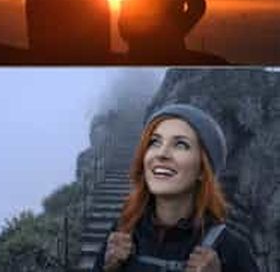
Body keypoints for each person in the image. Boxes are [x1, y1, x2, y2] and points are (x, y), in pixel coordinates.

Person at [94, 104, 259, 272]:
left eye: (180, 145)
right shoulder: (123, 232)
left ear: (203, 170)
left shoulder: (231, 250)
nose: (162, 154)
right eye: (155, 142)